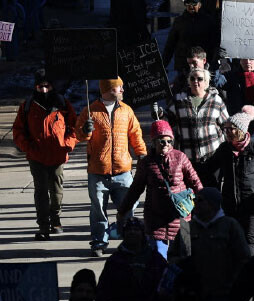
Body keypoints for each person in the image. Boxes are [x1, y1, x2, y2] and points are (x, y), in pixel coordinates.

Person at [74, 77, 147, 257]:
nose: (122, 90)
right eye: (118, 87)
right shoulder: (90, 111)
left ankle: (130, 241)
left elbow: (135, 134)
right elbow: (79, 136)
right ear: (107, 90)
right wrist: (85, 130)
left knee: (129, 207)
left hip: (123, 171)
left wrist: (142, 154)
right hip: (98, 172)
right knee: (98, 210)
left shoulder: (126, 111)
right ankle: (99, 242)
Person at [117, 120, 203, 260]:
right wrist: (122, 211)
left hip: (180, 218)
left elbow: (195, 182)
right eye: (162, 141)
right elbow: (135, 189)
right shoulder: (146, 163)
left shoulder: (180, 157)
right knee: (158, 260)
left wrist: (206, 203)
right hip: (156, 219)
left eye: (169, 141)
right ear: (154, 141)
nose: (166, 144)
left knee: (183, 260)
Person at [12, 69, 78, 240]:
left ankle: (56, 220)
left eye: (46, 86)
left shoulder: (62, 104)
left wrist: (68, 144)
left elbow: (75, 128)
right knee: (41, 192)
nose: (43, 90)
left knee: (56, 192)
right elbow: (18, 131)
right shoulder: (27, 106)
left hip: (57, 156)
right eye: (40, 87)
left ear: (52, 86)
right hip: (37, 157)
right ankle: (43, 225)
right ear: (35, 87)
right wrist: (28, 147)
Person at [208, 105, 254, 251]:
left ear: (241, 130)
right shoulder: (224, 149)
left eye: (231, 129)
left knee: (249, 239)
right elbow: (209, 170)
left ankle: (251, 272)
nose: (227, 132)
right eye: (226, 129)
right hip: (230, 205)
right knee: (232, 241)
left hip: (252, 204)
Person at [168, 67, 229, 185]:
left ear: (206, 83)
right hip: (187, 159)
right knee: (191, 196)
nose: (196, 81)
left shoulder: (216, 100)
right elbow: (167, 120)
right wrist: (158, 113)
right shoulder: (179, 100)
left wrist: (227, 150)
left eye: (200, 79)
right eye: (192, 78)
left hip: (213, 158)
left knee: (212, 195)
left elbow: (226, 126)